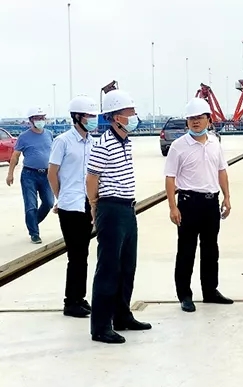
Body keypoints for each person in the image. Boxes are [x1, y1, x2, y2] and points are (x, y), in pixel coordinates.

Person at [87, 90, 151, 344]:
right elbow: (92, 178)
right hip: (111, 208)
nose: (134, 117)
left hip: (127, 207)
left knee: (127, 266)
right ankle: (101, 326)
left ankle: (122, 315)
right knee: (108, 268)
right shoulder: (103, 144)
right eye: (129, 113)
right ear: (116, 117)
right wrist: (95, 205)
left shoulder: (126, 141)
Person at [165, 98, 233, 313]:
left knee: (211, 250)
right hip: (188, 203)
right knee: (186, 251)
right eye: (191, 118)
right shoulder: (178, 146)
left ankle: (210, 291)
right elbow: (170, 178)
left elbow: (222, 171)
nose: (195, 122)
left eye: (200, 118)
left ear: (208, 120)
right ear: (187, 121)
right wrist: (172, 207)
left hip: (211, 203)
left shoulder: (215, 143)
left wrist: (227, 197)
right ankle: (185, 295)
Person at [47, 95, 99, 318]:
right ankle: (71, 302)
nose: (92, 119)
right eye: (89, 116)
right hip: (70, 206)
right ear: (77, 117)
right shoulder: (63, 141)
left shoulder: (92, 142)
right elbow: (52, 173)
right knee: (76, 255)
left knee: (83, 254)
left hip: (87, 204)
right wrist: (61, 197)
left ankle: (80, 298)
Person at [5, 106, 55, 244]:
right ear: (31, 120)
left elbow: (53, 154)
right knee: (31, 205)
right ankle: (34, 233)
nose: (41, 120)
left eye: (42, 118)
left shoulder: (49, 134)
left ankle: (33, 222)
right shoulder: (24, 137)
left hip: (46, 174)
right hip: (29, 175)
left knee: (49, 203)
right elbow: (15, 156)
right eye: (37, 118)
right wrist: (10, 174)